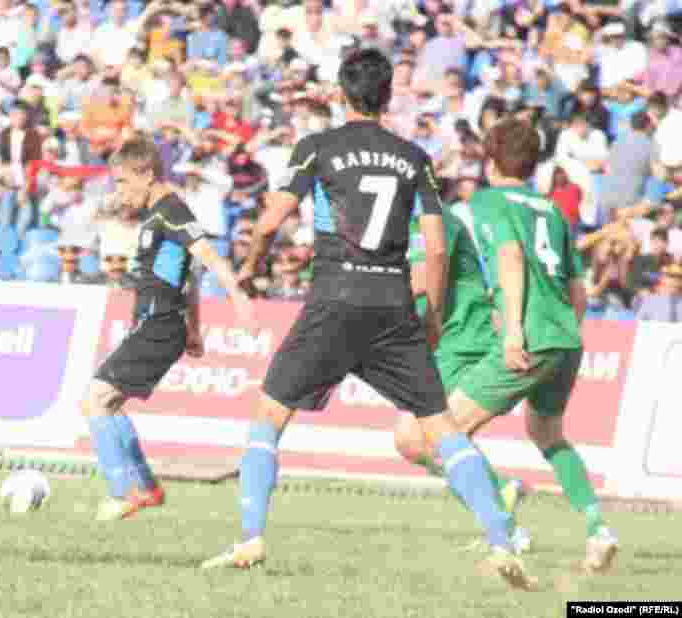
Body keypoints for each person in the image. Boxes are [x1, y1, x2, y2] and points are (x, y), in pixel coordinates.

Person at [200, 49, 534, 590]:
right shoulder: (414, 157)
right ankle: (500, 541)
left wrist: (250, 264)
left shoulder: (319, 147)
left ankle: (250, 537)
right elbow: (436, 248)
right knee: (443, 430)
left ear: (339, 92)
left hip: (334, 299)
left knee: (269, 415)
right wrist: (436, 316)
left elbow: (271, 219)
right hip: (393, 305)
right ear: (387, 96)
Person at [443, 118, 618, 575]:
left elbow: (510, 256)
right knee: (548, 434)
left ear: (490, 156)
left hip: (531, 335)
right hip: (565, 336)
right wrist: (562, 334)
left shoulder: (488, 201)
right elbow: (579, 290)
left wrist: (516, 331)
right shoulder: (550, 208)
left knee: (443, 430)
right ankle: (599, 529)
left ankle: (502, 534)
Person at [85, 135, 254, 522]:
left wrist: (238, 297)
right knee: (109, 403)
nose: (120, 191)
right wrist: (195, 328)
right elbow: (189, 276)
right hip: (158, 322)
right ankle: (146, 488)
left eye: (124, 182)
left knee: (94, 399)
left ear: (146, 174)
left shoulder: (171, 210)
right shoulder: (155, 214)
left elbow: (208, 256)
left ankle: (123, 492)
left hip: (159, 324)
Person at [394, 206, 533, 555]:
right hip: (442, 344)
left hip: (463, 342)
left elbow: (422, 279)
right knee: (415, 442)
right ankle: (502, 514)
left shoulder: (435, 219)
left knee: (417, 438)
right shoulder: (399, 221)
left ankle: (501, 513)